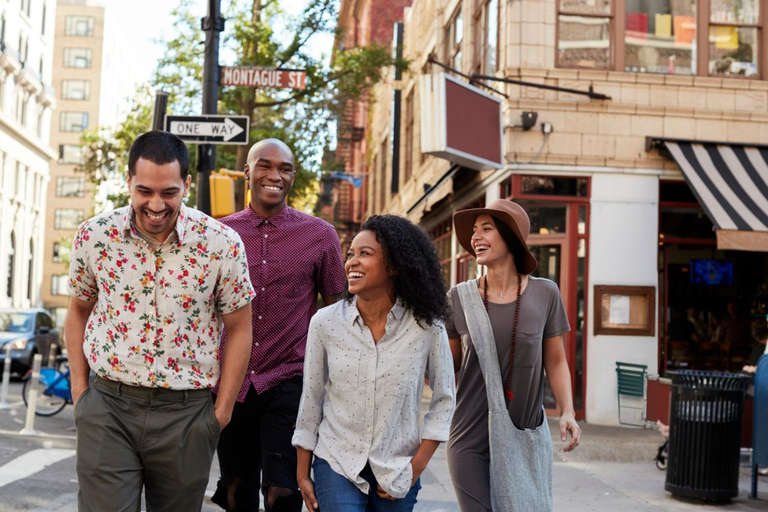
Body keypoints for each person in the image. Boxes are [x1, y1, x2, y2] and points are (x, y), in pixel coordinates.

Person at [65, 131, 255, 512]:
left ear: (186, 184)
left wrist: (221, 413)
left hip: (186, 415)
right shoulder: (94, 236)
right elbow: (78, 311)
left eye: (168, 192)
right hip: (109, 408)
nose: (155, 204)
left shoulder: (222, 242)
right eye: (144, 191)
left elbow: (240, 328)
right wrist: (80, 391)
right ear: (129, 182)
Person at [212, 138, 347, 512]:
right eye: (265, 166)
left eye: (284, 169)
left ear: (292, 177)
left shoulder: (320, 236)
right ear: (247, 172)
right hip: (231, 381)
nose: (275, 175)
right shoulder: (219, 234)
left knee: (283, 494)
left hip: (290, 381)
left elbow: (338, 311)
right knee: (237, 491)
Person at [292, 215, 456, 512]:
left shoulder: (428, 328)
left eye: (364, 254)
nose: (352, 262)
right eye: (350, 254)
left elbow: (444, 401)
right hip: (336, 461)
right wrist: (303, 471)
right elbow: (311, 398)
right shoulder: (325, 323)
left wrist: (415, 468)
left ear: (394, 265)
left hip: (397, 466)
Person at [445, 199, 581, 512]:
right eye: (474, 231)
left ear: (511, 236)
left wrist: (568, 412)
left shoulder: (545, 293)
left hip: (523, 436)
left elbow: (556, 361)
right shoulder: (458, 298)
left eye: (487, 229)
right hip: (470, 438)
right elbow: (447, 364)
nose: (475, 237)